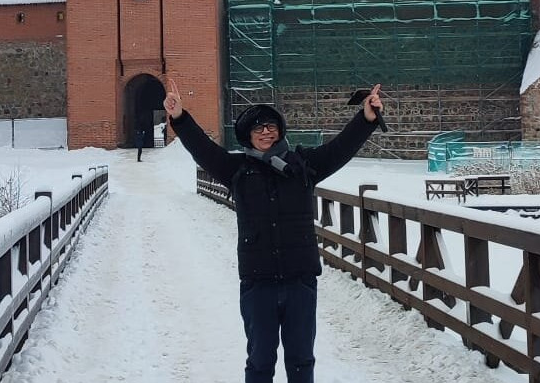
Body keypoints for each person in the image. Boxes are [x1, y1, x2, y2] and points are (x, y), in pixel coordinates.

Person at [164, 79, 384, 383]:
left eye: (270, 126)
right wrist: (179, 117)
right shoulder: (238, 170)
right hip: (258, 282)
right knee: (260, 360)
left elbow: (339, 149)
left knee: (301, 360)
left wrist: (366, 119)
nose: (266, 132)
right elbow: (204, 150)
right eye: (258, 128)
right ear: (248, 136)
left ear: (280, 130)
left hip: (299, 281)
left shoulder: (303, 166)